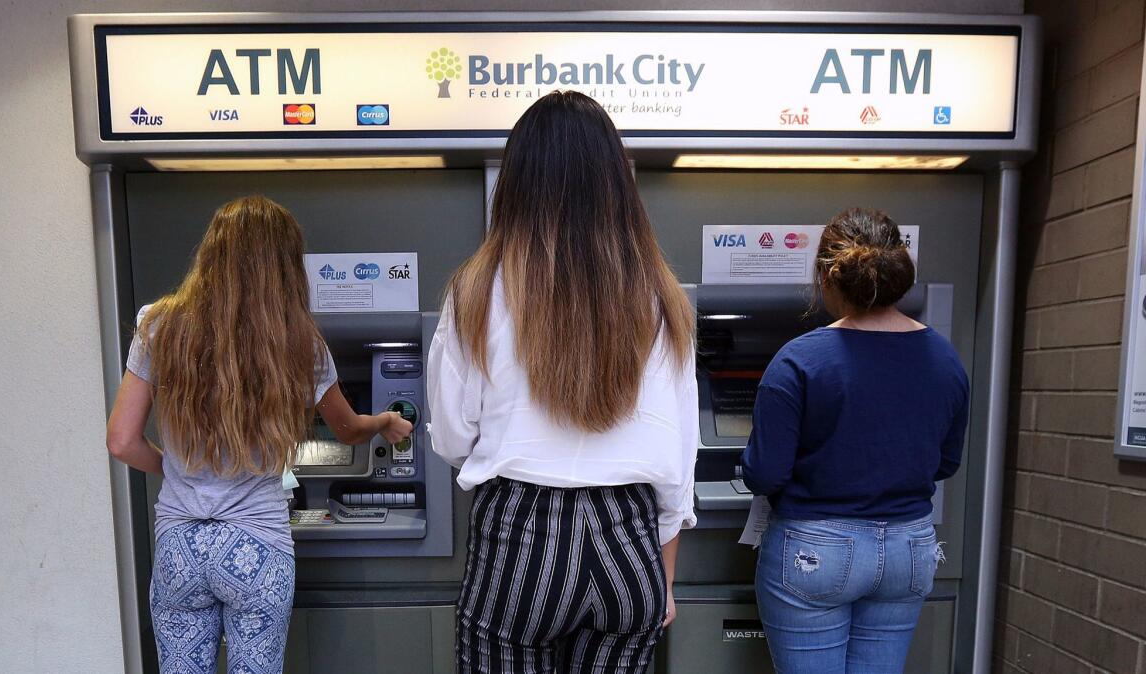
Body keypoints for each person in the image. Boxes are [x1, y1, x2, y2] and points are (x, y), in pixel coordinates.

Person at [427, 91, 698, 674]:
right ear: (615, 182)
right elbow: (679, 456)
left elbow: (451, 439)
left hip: (519, 539)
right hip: (629, 543)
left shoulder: (476, 291)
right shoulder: (662, 298)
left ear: (517, 180)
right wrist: (665, 579)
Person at [105, 195, 412, 674]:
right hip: (256, 545)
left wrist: (177, 469)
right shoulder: (301, 343)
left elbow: (121, 441)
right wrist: (386, 421)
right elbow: (348, 430)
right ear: (286, 267)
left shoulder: (159, 325)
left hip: (179, 545)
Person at [740, 208, 969, 674]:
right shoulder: (945, 357)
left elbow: (765, 473)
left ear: (827, 275)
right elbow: (945, 463)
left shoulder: (799, 360)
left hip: (816, 549)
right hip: (909, 547)